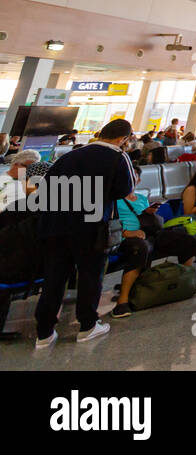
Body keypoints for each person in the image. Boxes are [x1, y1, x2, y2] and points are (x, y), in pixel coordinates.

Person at [33, 118, 136, 347]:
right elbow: (125, 189)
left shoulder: (70, 155)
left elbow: (46, 188)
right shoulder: (118, 157)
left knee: (54, 278)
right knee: (90, 275)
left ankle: (44, 332)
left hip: (55, 225)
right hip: (90, 227)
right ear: (124, 139)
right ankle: (88, 326)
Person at [112, 168, 196, 317]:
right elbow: (110, 222)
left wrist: (149, 213)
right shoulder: (114, 200)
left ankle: (187, 280)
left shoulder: (141, 198)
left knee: (187, 240)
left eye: (133, 176)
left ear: (138, 180)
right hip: (125, 238)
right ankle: (123, 301)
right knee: (140, 248)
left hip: (149, 234)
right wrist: (127, 233)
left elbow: (148, 223)